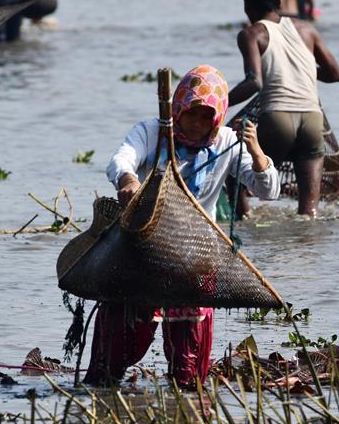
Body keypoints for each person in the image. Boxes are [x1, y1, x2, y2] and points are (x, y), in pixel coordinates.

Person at [83, 65, 280, 387]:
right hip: (143, 247)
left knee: (189, 353)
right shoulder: (152, 131)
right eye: (192, 114)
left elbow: (267, 191)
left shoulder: (228, 141)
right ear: (179, 107)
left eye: (207, 117)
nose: (199, 124)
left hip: (195, 252)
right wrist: (128, 180)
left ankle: (186, 400)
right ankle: (103, 388)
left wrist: (257, 153)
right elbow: (120, 160)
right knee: (121, 338)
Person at [228, 0, 339, 217]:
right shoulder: (306, 29)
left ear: (247, 5)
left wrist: (220, 102)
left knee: (234, 173)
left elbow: (254, 82)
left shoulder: (251, 34)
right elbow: (335, 74)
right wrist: (303, 70)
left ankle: (244, 223)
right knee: (309, 212)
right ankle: (305, 250)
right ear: (278, 1)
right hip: (313, 120)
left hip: (277, 119)